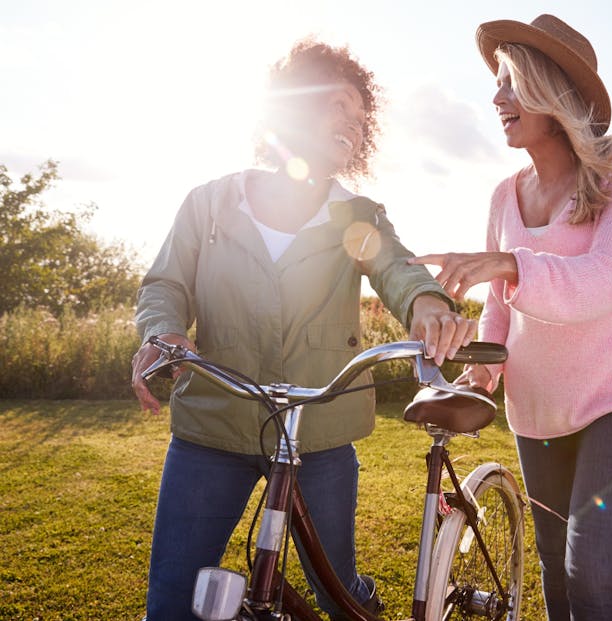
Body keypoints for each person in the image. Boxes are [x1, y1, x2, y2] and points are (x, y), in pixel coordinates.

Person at [131, 39, 476, 621]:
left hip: (317, 432)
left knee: (334, 592)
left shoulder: (356, 216)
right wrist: (162, 331)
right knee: (171, 599)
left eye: (360, 118)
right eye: (339, 105)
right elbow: (164, 285)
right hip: (214, 424)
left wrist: (426, 304)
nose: (353, 124)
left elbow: (396, 269)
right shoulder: (210, 204)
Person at [409, 14, 612, 621]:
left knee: (592, 568)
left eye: (510, 82)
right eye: (497, 82)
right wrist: (482, 373)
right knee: (553, 559)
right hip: (538, 407)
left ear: (552, 92)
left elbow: (604, 282)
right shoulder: (505, 194)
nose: (496, 97)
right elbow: (498, 302)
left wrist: (507, 261)